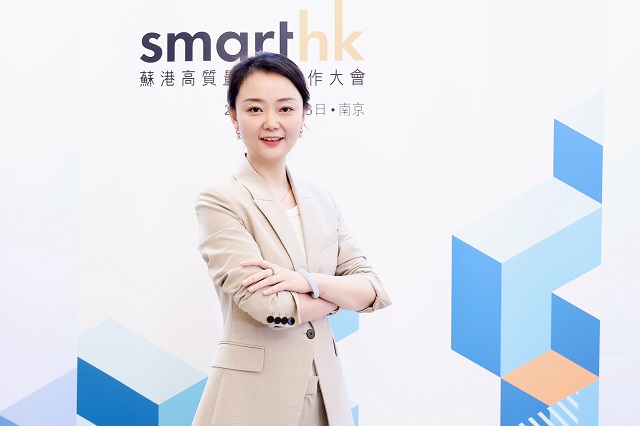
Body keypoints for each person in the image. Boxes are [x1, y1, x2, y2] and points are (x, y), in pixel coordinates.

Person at [192, 51, 391, 426]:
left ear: (304, 113)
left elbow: (372, 290)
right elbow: (270, 307)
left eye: (285, 108)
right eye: (254, 109)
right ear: (233, 115)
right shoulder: (221, 200)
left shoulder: (322, 199)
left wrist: (306, 282)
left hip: (325, 396)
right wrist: (336, 295)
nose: (271, 122)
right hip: (252, 399)